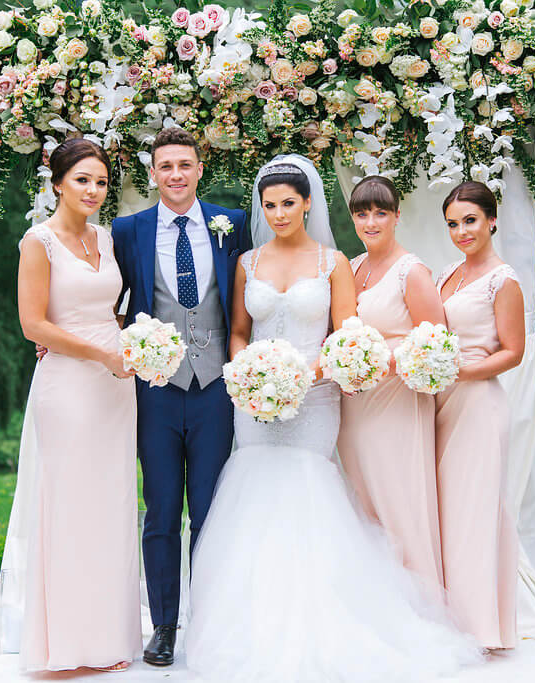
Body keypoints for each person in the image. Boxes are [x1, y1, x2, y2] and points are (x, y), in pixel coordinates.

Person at [184, 156, 483, 683]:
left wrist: (301, 373)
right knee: (254, 495)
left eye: (288, 204)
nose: (278, 213)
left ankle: (322, 623)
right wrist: (247, 374)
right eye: (269, 205)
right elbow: (237, 330)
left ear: (307, 205)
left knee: (308, 495)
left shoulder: (333, 263)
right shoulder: (247, 263)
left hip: (315, 396)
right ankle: (253, 628)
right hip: (254, 402)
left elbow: (345, 335)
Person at [111, 126, 251, 667]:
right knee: (163, 508)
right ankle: (164, 626)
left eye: (184, 165)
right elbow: (110, 296)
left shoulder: (230, 223)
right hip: (157, 391)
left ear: (199, 170)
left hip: (217, 387)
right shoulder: (129, 230)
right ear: (153, 173)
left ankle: (212, 622)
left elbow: (244, 297)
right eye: (165, 165)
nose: (175, 174)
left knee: (214, 509)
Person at [12, 138, 140, 672]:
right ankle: (64, 644)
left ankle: (108, 640)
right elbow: (33, 325)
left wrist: (130, 344)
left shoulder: (106, 239)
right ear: (57, 181)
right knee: (69, 507)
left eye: (101, 181)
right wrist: (97, 353)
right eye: (82, 179)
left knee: (110, 508)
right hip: (68, 384)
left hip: (115, 387)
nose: (92, 190)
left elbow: (112, 309)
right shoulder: (37, 242)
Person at [337, 176, 446, 594]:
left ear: (397, 216)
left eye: (380, 212)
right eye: (362, 213)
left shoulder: (411, 271)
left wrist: (379, 364)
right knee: (366, 503)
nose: (371, 221)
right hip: (356, 407)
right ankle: (382, 605)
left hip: (397, 403)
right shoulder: (353, 266)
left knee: (400, 502)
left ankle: (422, 604)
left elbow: (434, 340)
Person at [434, 181, 525, 650]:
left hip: (479, 405)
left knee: (474, 514)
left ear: (491, 220)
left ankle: (482, 630)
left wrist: (462, 371)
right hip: (442, 404)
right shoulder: (450, 272)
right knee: (446, 514)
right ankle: (450, 621)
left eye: (470, 220)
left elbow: (513, 352)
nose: (461, 231)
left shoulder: (502, 279)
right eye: (452, 223)